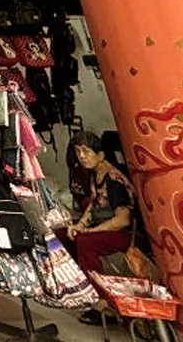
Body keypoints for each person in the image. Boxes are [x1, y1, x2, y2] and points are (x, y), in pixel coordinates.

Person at [57, 131, 136, 325]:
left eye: (86, 151)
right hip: (103, 228)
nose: (81, 156)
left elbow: (123, 220)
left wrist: (90, 231)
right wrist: (79, 225)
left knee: (85, 241)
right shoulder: (95, 173)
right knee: (62, 236)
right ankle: (80, 286)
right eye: (78, 151)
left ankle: (103, 303)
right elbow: (94, 204)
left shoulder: (113, 178)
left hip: (122, 234)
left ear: (100, 155)